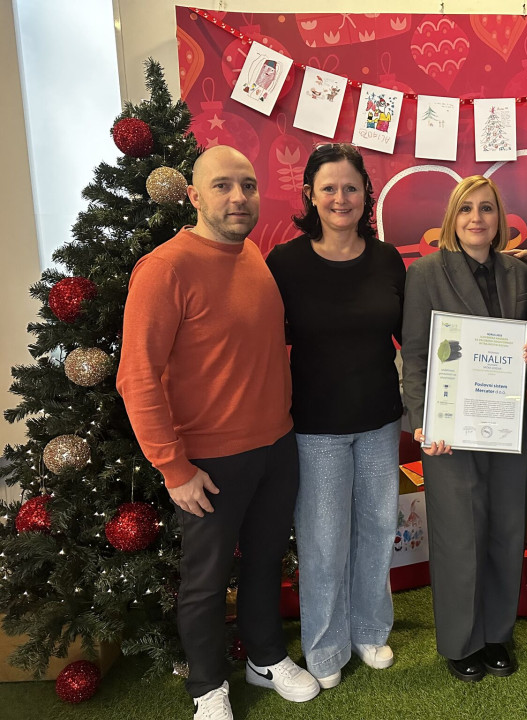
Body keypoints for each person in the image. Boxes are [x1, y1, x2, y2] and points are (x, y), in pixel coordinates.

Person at [117, 145, 320, 720]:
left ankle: (265, 658)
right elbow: (137, 376)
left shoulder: (252, 254)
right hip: (207, 462)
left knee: (264, 562)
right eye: (223, 186)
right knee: (205, 582)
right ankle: (207, 687)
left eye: (248, 186)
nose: (238, 198)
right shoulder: (165, 268)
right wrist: (173, 468)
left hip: (276, 446)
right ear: (194, 196)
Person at [266, 143, 406, 689]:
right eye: (329, 188)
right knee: (323, 542)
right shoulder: (285, 263)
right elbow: (261, 343)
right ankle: (325, 648)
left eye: (351, 187)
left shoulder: (388, 259)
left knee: (378, 529)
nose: (341, 197)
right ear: (310, 194)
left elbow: (414, 337)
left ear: (366, 193)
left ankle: (370, 630)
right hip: (315, 427)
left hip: (380, 419)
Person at [401, 175, 527, 682]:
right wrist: (424, 423)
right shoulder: (425, 273)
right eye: (466, 209)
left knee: (506, 529)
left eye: (486, 208)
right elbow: (415, 356)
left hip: (505, 424)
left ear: (499, 218)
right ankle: (462, 641)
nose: (476, 218)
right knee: (459, 535)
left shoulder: (518, 273)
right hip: (448, 430)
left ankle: (497, 634)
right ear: (451, 218)